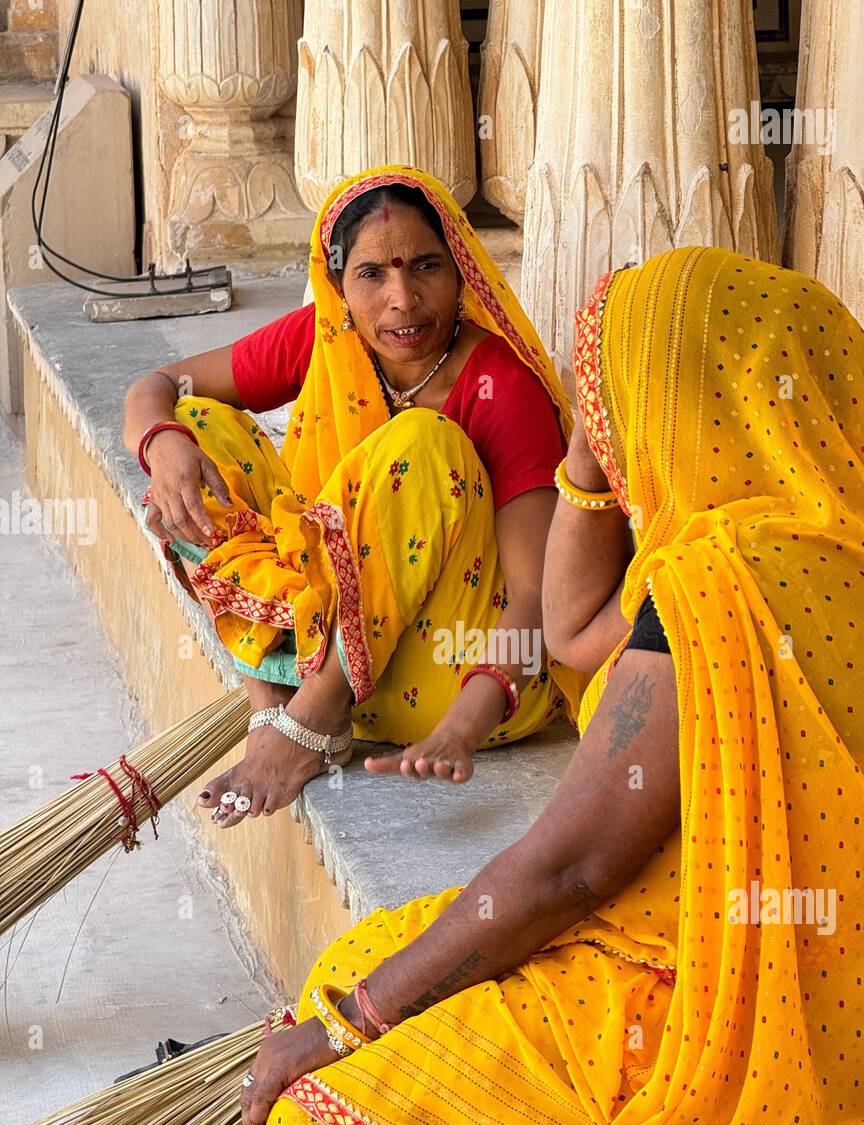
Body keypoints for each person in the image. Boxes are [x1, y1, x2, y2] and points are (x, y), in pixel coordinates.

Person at [222, 247, 864, 1125]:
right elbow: (573, 627)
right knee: (367, 949)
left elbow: (567, 871)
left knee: (331, 1124)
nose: (607, 429)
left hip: (735, 1024)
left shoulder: (716, 589)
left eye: (615, 400)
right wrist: (587, 463)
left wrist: (348, 1026)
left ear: (682, 397)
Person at [123, 165, 583, 828]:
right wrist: (159, 446)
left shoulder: (496, 386)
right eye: (372, 274)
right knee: (196, 426)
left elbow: (537, 596)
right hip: (322, 643)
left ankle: (311, 718)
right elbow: (157, 384)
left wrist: (464, 722)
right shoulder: (328, 339)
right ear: (336, 284)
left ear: (461, 274)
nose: (402, 299)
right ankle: (271, 707)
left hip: (454, 680)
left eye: (425, 266)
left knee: (422, 441)